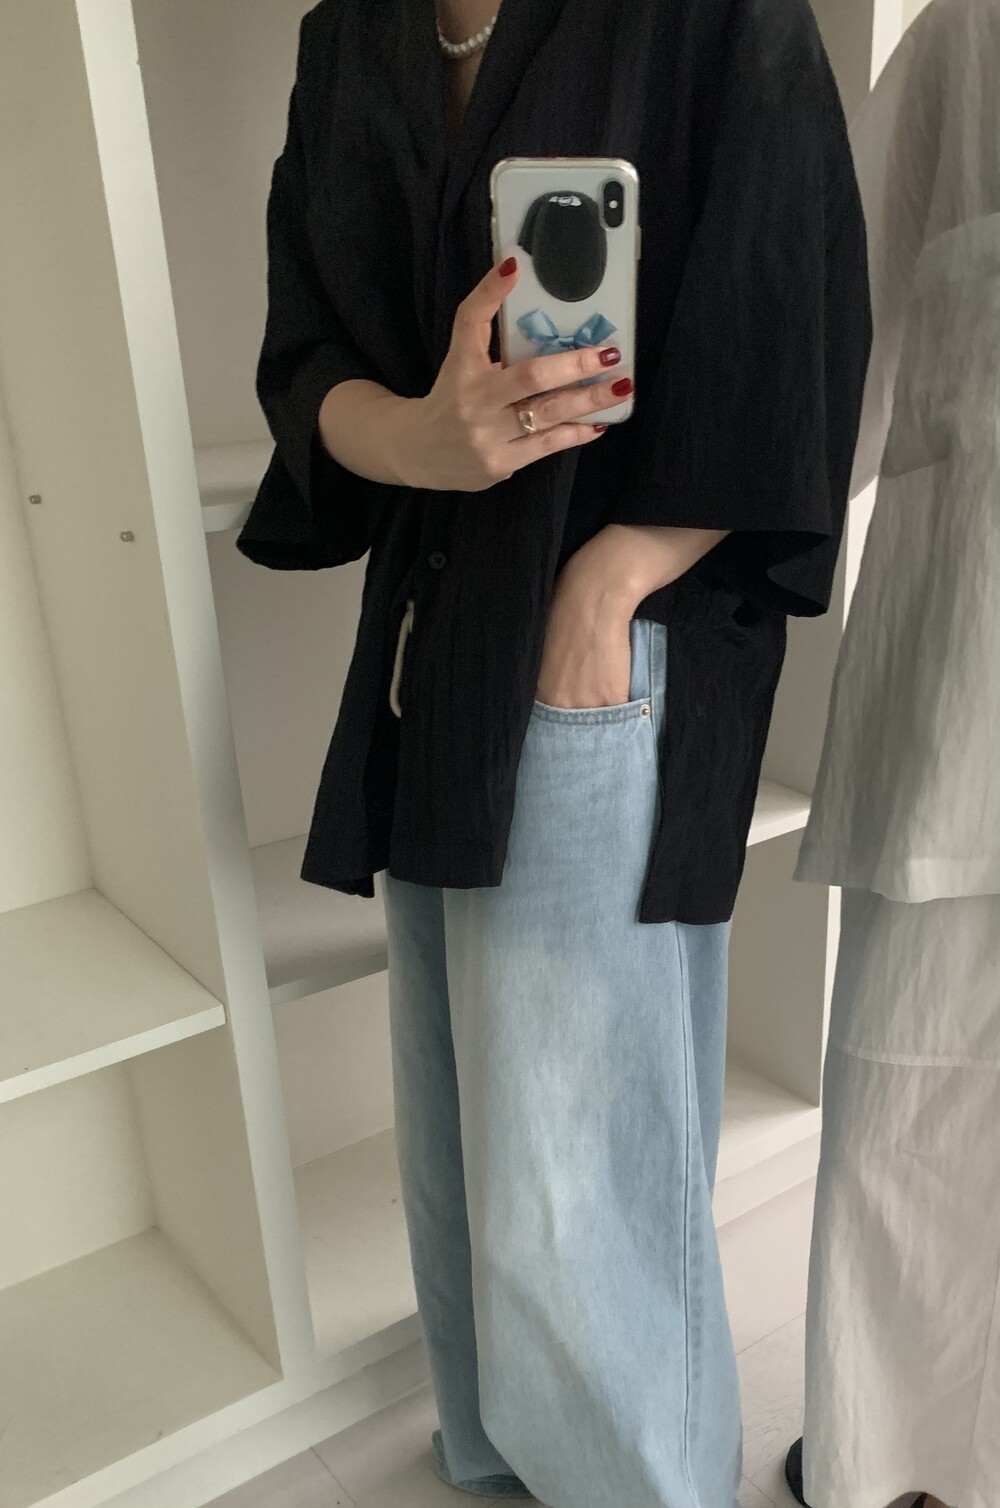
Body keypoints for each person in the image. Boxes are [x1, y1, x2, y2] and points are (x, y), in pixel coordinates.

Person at [236, 1, 871, 1504]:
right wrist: (425, 437)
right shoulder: (351, 37)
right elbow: (307, 357)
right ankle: (506, 1467)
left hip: (609, 636)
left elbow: (798, 324)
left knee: (582, 1170)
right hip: (432, 639)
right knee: (464, 1142)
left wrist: (609, 586)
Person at [785, 1, 1000, 1505]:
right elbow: (828, 327)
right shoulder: (968, 36)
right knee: (909, 1079)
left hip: (960, 644)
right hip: (963, 660)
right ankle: (888, 1462)